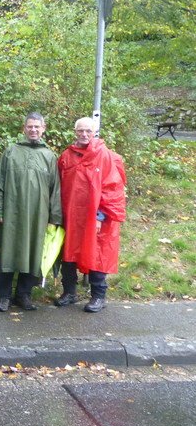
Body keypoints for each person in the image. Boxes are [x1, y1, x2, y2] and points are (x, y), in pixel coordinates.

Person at [0, 113, 62, 312]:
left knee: (34, 252)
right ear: (24, 128)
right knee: (7, 252)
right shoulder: (11, 152)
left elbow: (56, 190)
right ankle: (3, 296)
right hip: (11, 214)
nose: (33, 130)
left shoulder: (49, 156)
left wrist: (54, 218)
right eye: (30, 126)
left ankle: (24, 294)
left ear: (43, 128)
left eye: (37, 127)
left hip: (38, 216)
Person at [56, 117, 126, 312]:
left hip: (96, 217)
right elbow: (58, 185)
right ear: (75, 131)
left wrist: (100, 216)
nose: (84, 134)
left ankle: (98, 296)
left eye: (88, 130)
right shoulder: (67, 156)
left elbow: (113, 188)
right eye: (80, 131)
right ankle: (69, 292)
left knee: (97, 252)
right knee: (68, 253)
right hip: (71, 214)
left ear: (95, 132)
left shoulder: (105, 156)